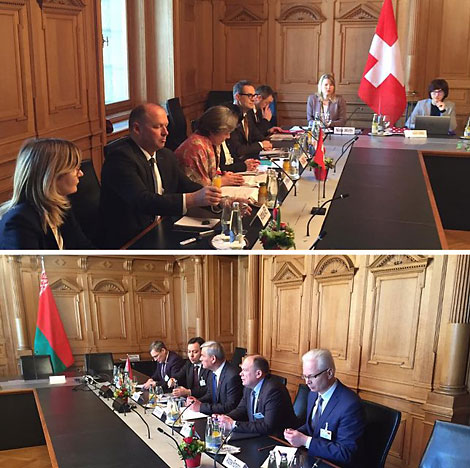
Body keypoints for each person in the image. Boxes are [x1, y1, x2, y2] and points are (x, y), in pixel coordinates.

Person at [99, 103, 222, 248]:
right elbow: (143, 201)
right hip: (132, 239)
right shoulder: (120, 159)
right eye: (158, 127)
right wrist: (191, 199)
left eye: (166, 126)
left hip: (162, 226)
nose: (166, 132)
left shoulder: (165, 155)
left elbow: (186, 185)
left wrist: (222, 201)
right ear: (137, 129)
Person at [0, 138, 93, 249]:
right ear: (52, 175)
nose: (81, 173)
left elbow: (84, 248)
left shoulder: (61, 206)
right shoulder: (19, 222)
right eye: (75, 168)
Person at [284, 349, 364, 468]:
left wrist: (305, 441)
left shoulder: (350, 405)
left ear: (329, 373)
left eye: (312, 376)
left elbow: (345, 453)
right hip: (312, 459)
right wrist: (296, 434)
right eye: (304, 376)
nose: (307, 382)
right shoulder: (313, 393)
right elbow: (314, 428)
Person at [216, 355, 298, 438]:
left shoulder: (274, 391)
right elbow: (241, 410)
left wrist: (233, 424)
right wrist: (224, 418)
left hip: (276, 439)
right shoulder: (249, 387)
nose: (240, 374)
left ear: (258, 373)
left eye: (245, 370)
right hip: (257, 434)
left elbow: (267, 426)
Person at [174, 106, 258, 186]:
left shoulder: (212, 142)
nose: (228, 137)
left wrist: (222, 176)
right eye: (226, 133)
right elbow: (199, 188)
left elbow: (213, 174)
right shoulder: (196, 147)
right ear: (213, 131)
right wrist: (222, 181)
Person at [186, 340, 242, 415]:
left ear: (213, 359)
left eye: (202, 355)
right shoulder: (212, 372)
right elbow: (210, 395)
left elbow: (230, 407)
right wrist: (196, 402)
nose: (200, 359)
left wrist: (201, 407)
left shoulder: (232, 376)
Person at [226, 80, 273, 159]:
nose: (253, 99)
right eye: (249, 95)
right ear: (237, 97)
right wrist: (261, 145)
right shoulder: (229, 116)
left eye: (254, 95)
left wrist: (266, 143)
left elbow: (257, 135)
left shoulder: (247, 114)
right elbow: (238, 150)